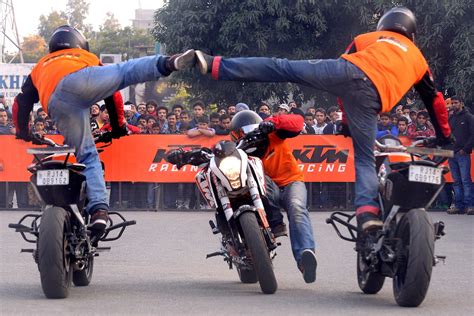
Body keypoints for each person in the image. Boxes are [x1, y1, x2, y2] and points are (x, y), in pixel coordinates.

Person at [195, 6, 453, 231]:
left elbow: (347, 69)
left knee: (283, 67)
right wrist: (445, 138)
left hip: (345, 72)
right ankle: (368, 215)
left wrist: (344, 121)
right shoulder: (418, 57)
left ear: (383, 25)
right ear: (412, 33)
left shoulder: (367, 38)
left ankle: (216, 64)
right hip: (371, 98)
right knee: (364, 160)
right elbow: (435, 101)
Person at [13, 25, 195, 235]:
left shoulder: (40, 66)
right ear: (79, 43)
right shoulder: (85, 56)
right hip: (84, 79)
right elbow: (114, 95)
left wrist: (23, 132)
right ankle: (167, 62)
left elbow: (21, 103)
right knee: (124, 71)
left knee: (86, 154)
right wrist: (118, 127)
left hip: (58, 102)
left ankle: (92, 210)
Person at [229, 110, 317, 283]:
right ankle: (270, 227)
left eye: (252, 130)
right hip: (264, 188)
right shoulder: (236, 152)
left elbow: (298, 122)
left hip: (291, 182)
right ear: (235, 136)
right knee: (256, 180)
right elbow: (215, 154)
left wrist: (273, 122)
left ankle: (305, 259)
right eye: (242, 133)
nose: (249, 136)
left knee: (297, 208)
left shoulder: (275, 133)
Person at [446, 96, 473, 215]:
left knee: (465, 180)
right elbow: (447, 135)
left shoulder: (469, 117)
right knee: (456, 181)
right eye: (452, 103)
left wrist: (465, 149)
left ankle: (470, 205)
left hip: (463, 153)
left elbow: (473, 135)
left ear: (461, 103)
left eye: (455, 103)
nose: (453, 105)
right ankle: (459, 205)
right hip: (452, 153)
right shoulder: (451, 118)